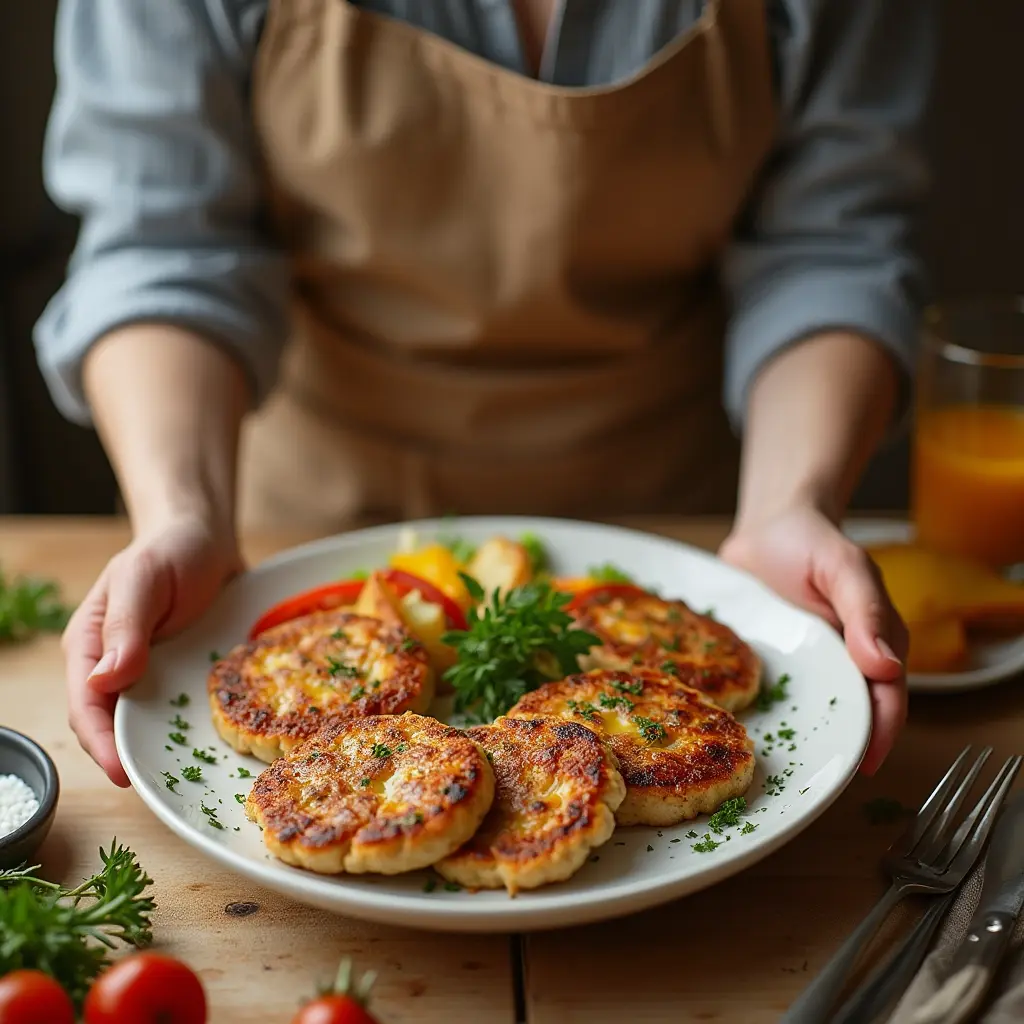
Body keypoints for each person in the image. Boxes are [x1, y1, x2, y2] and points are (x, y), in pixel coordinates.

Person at [36, 0, 933, 788]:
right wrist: (178, 515)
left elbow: (831, 245)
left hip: (691, 533)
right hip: (295, 532)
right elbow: (163, 244)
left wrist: (794, 503)